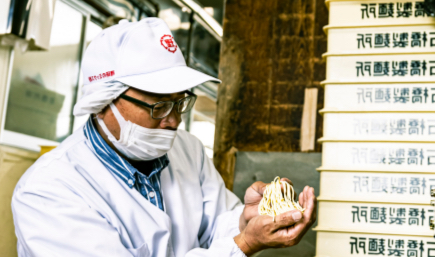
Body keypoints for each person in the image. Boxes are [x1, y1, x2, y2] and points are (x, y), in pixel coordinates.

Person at [11, 18, 317, 257]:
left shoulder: (187, 150)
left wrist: (246, 220)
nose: (174, 120)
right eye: (158, 106)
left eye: (179, 102)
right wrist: (244, 244)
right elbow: (234, 246)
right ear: (104, 103)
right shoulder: (49, 191)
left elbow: (216, 226)